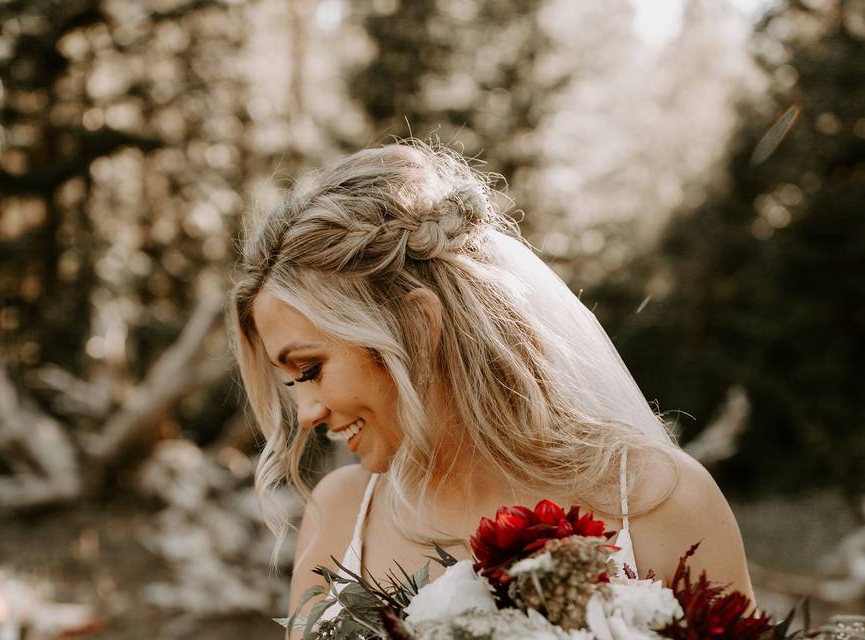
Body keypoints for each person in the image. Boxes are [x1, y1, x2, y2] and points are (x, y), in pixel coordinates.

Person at [230, 140, 755, 632]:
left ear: (417, 326)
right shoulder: (340, 515)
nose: (305, 412)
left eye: (310, 369)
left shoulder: (661, 502)